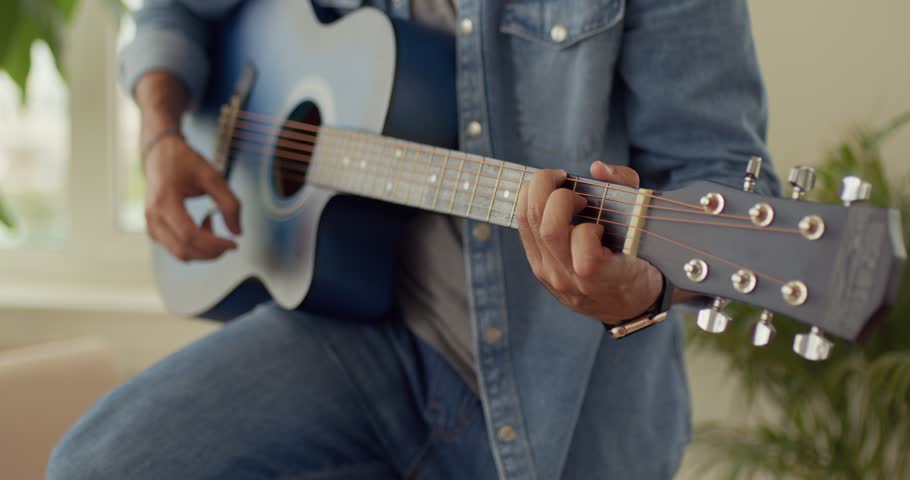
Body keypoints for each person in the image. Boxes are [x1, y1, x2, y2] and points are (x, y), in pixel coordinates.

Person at [48, 0, 780, 478]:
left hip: (560, 406)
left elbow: (725, 180)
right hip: (360, 326)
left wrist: (638, 287)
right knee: (94, 465)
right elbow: (172, 13)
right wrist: (161, 134)